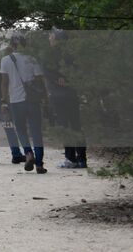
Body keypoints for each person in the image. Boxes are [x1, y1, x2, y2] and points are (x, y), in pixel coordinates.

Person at [1, 33, 48, 174]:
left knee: (21, 130)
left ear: (11, 45)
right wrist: (44, 97)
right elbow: (39, 80)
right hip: (33, 101)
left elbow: (4, 82)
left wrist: (4, 100)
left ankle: (28, 153)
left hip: (16, 101)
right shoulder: (32, 59)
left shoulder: (6, 60)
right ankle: (39, 165)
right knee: (36, 132)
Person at [46, 30, 88, 169]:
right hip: (72, 94)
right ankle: (82, 159)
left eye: (51, 37)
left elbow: (47, 72)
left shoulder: (51, 55)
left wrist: (58, 80)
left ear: (57, 40)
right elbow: (79, 71)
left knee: (64, 126)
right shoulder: (72, 54)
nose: (49, 39)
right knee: (76, 126)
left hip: (59, 96)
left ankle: (70, 159)